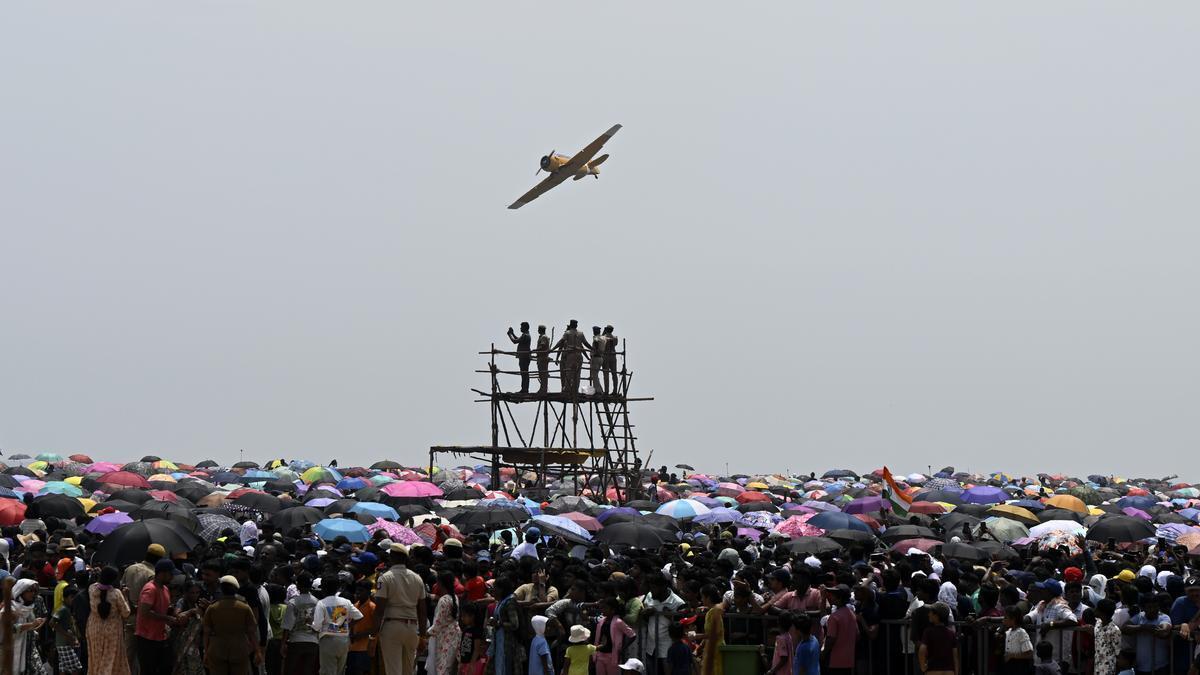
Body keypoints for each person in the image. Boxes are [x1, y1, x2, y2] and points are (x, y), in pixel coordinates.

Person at [373, 543, 428, 675]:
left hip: (392, 626)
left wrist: (373, 636)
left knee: (393, 670)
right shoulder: (417, 578)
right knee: (408, 670)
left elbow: (379, 610)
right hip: (412, 628)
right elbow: (422, 610)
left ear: (392, 557)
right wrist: (422, 635)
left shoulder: (385, 577)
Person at [202, 574, 260, 675]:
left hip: (217, 650)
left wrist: (206, 652)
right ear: (236, 589)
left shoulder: (212, 608)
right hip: (239, 650)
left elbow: (206, 632)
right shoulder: (244, 608)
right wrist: (257, 651)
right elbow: (252, 631)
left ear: (221, 589)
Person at [310, 575, 362, 675]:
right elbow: (359, 617)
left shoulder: (321, 603)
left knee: (327, 671)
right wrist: (347, 626)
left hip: (328, 641)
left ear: (323, 588)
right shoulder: (346, 602)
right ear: (337, 587)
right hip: (344, 640)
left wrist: (310, 625)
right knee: (340, 671)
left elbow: (316, 626)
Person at [136, 559, 178, 675]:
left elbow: (162, 608)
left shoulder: (165, 589)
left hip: (160, 636)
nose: (172, 578)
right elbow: (145, 612)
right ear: (162, 573)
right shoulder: (150, 589)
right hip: (147, 638)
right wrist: (167, 618)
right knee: (148, 670)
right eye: (171, 574)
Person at [88, 566, 131, 675]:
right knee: (110, 660)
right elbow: (126, 613)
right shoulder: (116, 594)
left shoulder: (92, 589)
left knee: (96, 660)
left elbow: (101, 589)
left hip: (94, 629)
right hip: (112, 631)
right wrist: (126, 596)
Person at [6, 578, 48, 675]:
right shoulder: (11, 608)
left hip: (30, 648)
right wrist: (31, 625)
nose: (33, 593)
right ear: (20, 591)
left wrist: (33, 630)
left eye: (34, 591)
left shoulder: (29, 607)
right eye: (29, 590)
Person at [281, 571, 320, 675]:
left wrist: (283, 643)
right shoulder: (317, 602)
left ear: (298, 585)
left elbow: (287, 625)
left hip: (296, 641)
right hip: (313, 642)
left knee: (290, 670)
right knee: (307, 671)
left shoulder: (293, 602)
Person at [1122, 594, 1171, 675]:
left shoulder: (1163, 617)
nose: (1152, 610)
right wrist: (1143, 627)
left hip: (1160, 667)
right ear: (1143, 608)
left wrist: (1160, 631)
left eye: (1155, 607)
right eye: (1149, 607)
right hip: (1141, 667)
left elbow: (1165, 629)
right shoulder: (1139, 617)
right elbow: (1124, 628)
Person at [427, 570, 461, 675]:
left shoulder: (443, 600)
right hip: (454, 634)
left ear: (441, 583)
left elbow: (438, 624)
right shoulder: (454, 597)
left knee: (442, 667)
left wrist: (426, 633)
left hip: (444, 636)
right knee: (450, 666)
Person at [169, 580, 206, 675]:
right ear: (186, 593)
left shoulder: (200, 603)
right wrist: (191, 612)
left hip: (194, 645)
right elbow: (178, 616)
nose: (195, 595)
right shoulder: (182, 602)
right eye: (192, 592)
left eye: (197, 592)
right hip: (181, 643)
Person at [822, 584, 858, 675]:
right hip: (848, 661)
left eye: (833, 594)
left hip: (834, 661)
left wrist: (823, 654)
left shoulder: (834, 617)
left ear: (839, 598)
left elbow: (831, 639)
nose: (831, 596)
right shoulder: (851, 614)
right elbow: (858, 635)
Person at [595, 597, 637, 675]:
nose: (602, 610)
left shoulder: (618, 622)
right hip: (600, 654)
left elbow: (632, 635)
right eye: (602, 608)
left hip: (612, 656)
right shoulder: (601, 621)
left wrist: (622, 648)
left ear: (612, 610)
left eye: (605, 608)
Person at [551, 320, 590, 395]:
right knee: (577, 374)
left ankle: (567, 390)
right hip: (578, 355)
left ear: (570, 326)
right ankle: (574, 389)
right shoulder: (580, 334)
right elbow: (584, 345)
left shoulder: (567, 334)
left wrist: (553, 349)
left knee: (568, 373)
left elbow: (560, 343)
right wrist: (592, 350)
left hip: (570, 356)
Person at [51, 584, 83, 675]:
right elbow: (52, 623)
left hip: (64, 643)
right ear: (65, 598)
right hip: (64, 643)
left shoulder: (67, 609)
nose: (73, 600)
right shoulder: (63, 609)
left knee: (63, 668)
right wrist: (67, 635)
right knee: (76, 668)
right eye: (71, 597)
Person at [918, 602, 958, 675]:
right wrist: (956, 672)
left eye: (930, 612)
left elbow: (922, 650)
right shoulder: (951, 633)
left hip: (933, 670)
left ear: (936, 616)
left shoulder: (928, 632)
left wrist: (923, 666)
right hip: (949, 671)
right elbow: (955, 655)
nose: (928, 614)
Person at [346, 581, 376, 675]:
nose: (358, 593)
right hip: (352, 647)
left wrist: (362, 635)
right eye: (357, 591)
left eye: (361, 591)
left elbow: (377, 627)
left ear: (368, 592)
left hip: (365, 647)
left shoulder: (372, 607)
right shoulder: (354, 606)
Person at [698, 586, 724, 675]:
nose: (701, 599)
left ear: (708, 598)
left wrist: (696, 636)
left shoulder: (713, 612)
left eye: (702, 597)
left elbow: (713, 634)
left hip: (716, 648)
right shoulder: (712, 611)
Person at [1002, 605, 1034, 675]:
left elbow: (1029, 654)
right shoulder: (1008, 632)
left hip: (1019, 667)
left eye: (1005, 618)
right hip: (1009, 667)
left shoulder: (1021, 632)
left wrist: (1012, 655)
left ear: (1013, 619)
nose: (1003, 620)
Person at [1093, 599, 1122, 675]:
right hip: (1097, 666)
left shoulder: (1115, 630)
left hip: (1108, 669)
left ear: (1102, 613)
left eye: (1097, 608)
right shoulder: (1098, 623)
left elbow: (1118, 652)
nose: (1095, 610)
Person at [507, 323, 533, 394]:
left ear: (525, 328)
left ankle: (525, 389)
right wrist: (512, 333)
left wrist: (510, 334)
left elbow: (515, 341)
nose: (520, 328)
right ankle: (524, 389)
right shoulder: (525, 335)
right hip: (524, 357)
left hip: (524, 357)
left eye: (521, 327)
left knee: (524, 373)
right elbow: (518, 339)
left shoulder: (525, 335)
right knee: (524, 373)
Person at [602, 325, 619, 394]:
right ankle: (615, 390)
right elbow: (615, 344)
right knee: (614, 374)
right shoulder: (615, 338)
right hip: (613, 357)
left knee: (606, 374)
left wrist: (603, 332)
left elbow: (601, 341)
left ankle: (606, 391)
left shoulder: (603, 337)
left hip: (606, 356)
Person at [589, 326, 605, 394]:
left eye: (594, 330)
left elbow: (596, 342)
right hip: (601, 358)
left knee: (594, 375)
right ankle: (599, 389)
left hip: (595, 357)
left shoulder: (596, 337)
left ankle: (598, 391)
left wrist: (594, 350)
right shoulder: (603, 338)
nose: (593, 332)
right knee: (596, 375)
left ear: (595, 331)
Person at [535, 325, 552, 394]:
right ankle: (542, 388)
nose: (538, 330)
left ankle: (543, 389)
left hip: (542, 358)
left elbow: (542, 346)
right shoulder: (543, 337)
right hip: (542, 357)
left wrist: (535, 350)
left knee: (543, 374)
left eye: (538, 329)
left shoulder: (543, 337)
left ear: (541, 330)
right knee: (542, 374)